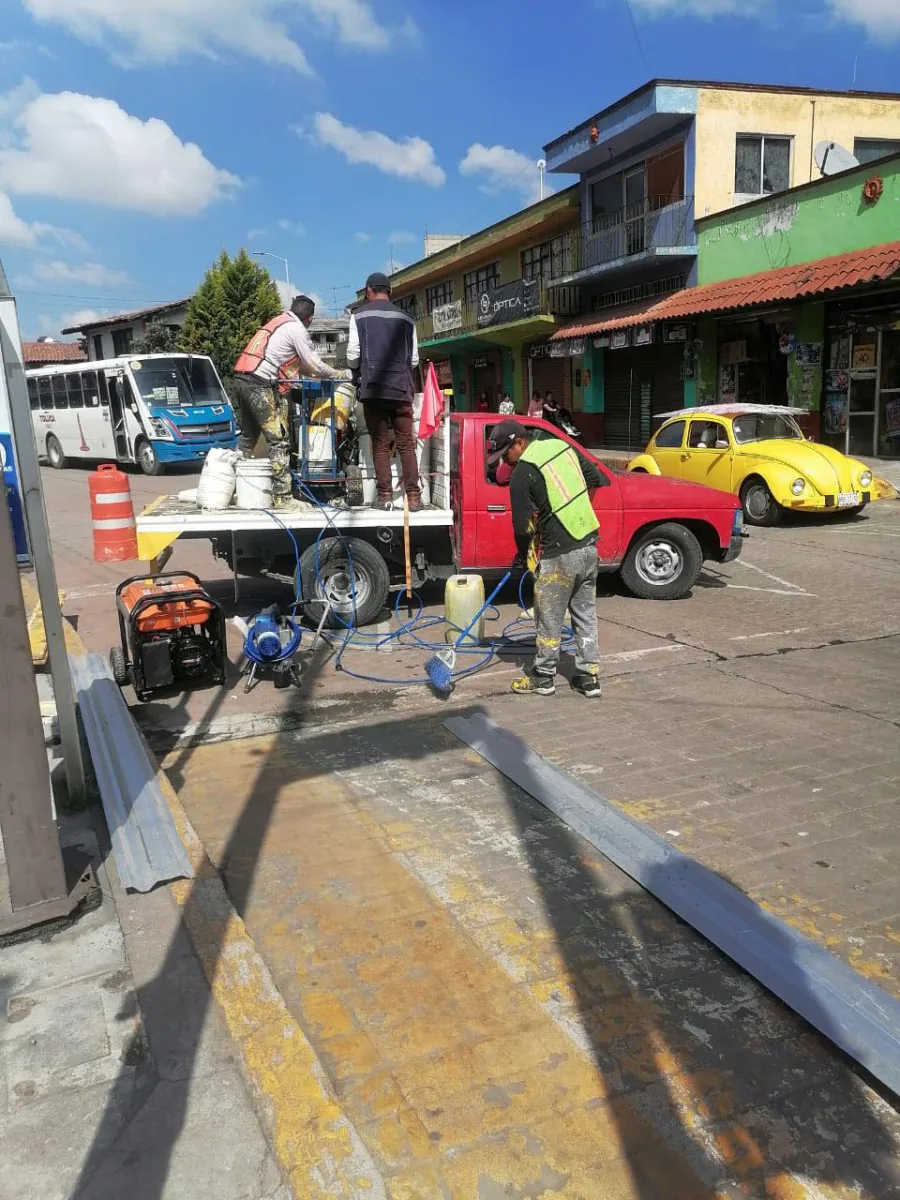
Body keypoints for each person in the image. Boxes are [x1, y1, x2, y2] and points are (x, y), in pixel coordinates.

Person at [488, 419, 604, 699]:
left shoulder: (522, 473)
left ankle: (543, 677)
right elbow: (595, 478)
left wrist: (522, 550)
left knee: (548, 617)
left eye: (506, 453)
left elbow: (520, 527)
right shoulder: (561, 446)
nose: (505, 460)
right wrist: (572, 509)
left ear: (519, 443)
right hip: (589, 543)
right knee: (585, 615)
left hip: (559, 553)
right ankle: (589, 678)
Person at [233, 294, 348, 508]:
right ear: (310, 319)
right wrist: (339, 375)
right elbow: (314, 364)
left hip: (242, 378)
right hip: (258, 382)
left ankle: (235, 488)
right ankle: (283, 497)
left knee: (248, 439)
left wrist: (316, 372)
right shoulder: (297, 329)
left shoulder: (280, 322)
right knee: (279, 440)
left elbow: (302, 365)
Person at [347, 272, 421, 511]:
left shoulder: (359, 316)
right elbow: (414, 360)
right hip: (401, 390)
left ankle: (385, 497)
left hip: (374, 391)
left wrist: (358, 371)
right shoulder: (408, 319)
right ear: (390, 291)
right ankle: (414, 497)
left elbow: (353, 356)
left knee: (379, 444)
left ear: (369, 290)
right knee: (406, 444)